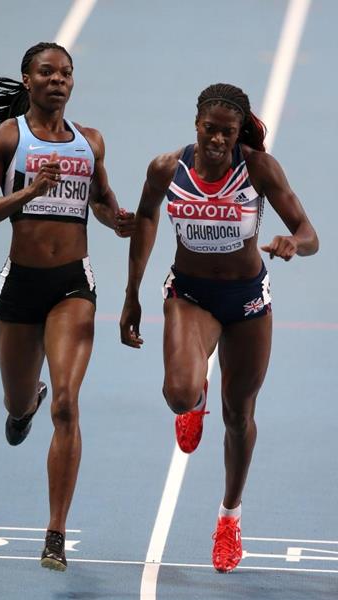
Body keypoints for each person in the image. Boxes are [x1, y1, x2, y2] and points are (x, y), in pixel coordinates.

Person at [120, 83, 318, 573]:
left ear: (238, 133)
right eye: (209, 129)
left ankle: (229, 517)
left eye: (227, 132)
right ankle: (195, 394)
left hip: (248, 298)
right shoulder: (168, 168)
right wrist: (132, 293)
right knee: (180, 394)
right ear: (196, 124)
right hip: (190, 295)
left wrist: (294, 243)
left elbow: (310, 234)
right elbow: (145, 218)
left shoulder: (257, 168)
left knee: (239, 416)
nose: (217, 140)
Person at [0, 41, 134, 572]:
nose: (58, 80)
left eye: (66, 73)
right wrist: (29, 192)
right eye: (47, 72)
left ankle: (55, 532)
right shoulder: (6, 139)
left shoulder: (91, 142)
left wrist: (118, 219)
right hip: (21, 286)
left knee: (68, 402)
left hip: (71, 287)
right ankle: (25, 403)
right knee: (21, 404)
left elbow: (102, 203)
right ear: (27, 79)